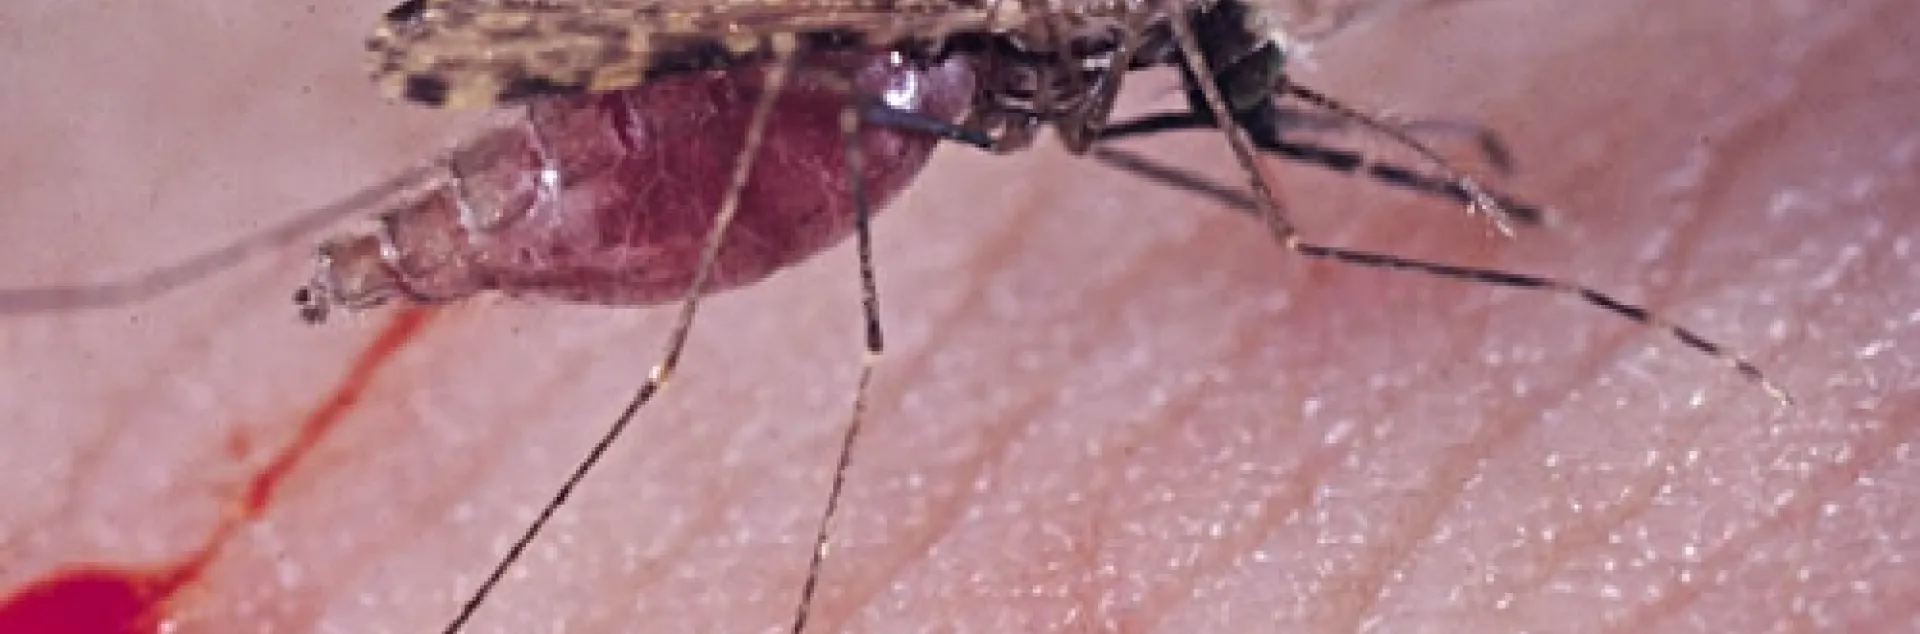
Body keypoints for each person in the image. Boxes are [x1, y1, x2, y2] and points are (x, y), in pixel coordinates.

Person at [2, 0, 1912, 630]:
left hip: (823, 105)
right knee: (790, 279)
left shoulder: (1119, 37)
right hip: (760, 106)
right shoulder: (1091, 28)